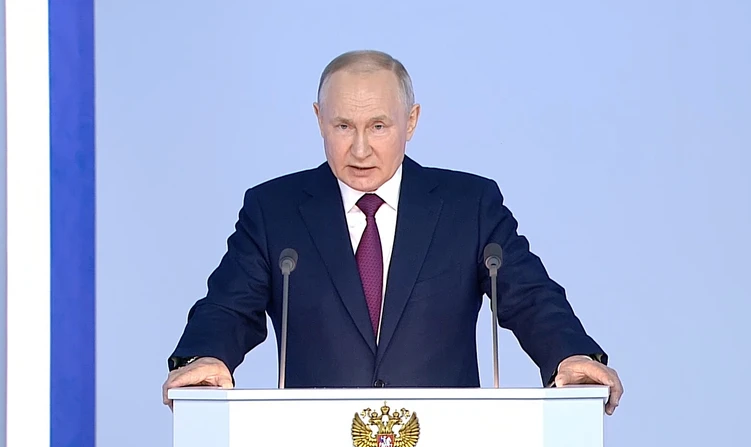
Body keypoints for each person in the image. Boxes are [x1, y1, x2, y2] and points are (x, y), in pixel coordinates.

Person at [162, 50, 623, 415]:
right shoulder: (273, 210)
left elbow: (529, 296)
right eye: (343, 126)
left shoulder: (468, 205)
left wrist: (570, 355)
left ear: (412, 121)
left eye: (378, 126)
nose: (360, 149)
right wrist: (205, 357)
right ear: (319, 119)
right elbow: (229, 306)